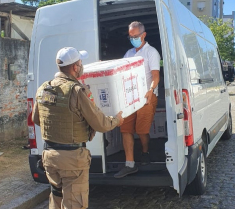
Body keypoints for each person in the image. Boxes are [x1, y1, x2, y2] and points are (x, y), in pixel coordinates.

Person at [32, 47, 124, 209]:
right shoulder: (77, 91)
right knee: (74, 203)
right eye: (80, 63)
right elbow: (100, 124)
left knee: (56, 197)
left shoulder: (44, 88)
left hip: (50, 157)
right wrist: (116, 120)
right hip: (72, 159)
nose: (82, 66)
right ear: (75, 67)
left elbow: (36, 119)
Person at [114, 21, 160, 178]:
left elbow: (155, 76)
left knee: (142, 130)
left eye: (136, 36)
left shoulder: (151, 52)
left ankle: (145, 152)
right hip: (130, 98)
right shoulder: (129, 53)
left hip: (147, 96)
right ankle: (129, 164)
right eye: (130, 36)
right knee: (125, 129)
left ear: (144, 35)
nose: (133, 38)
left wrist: (151, 89)